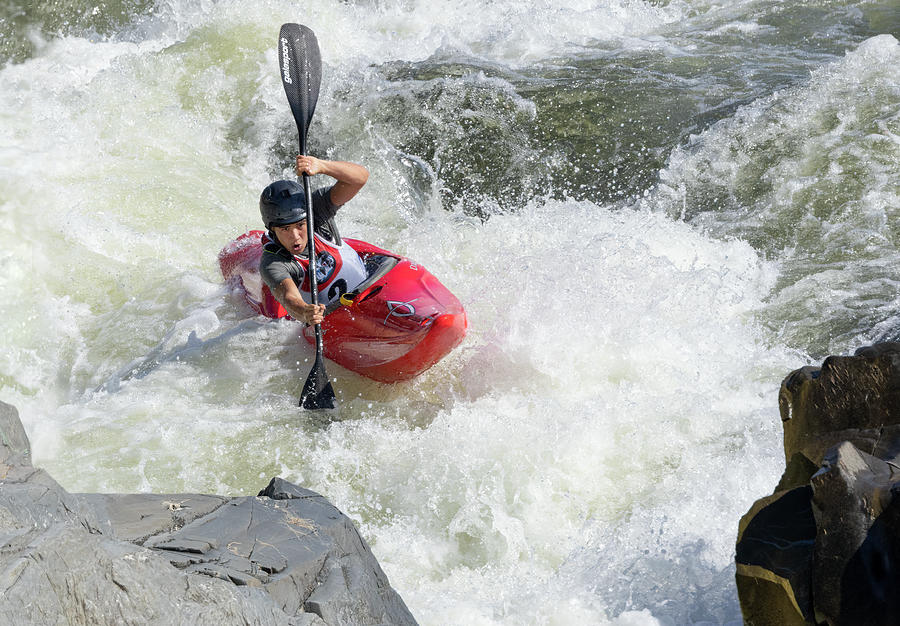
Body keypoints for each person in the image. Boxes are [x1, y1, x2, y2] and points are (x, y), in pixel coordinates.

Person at [258, 155, 369, 326]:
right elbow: (289, 298)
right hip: (338, 317)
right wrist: (304, 312)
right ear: (272, 228)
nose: (295, 236)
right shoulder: (273, 262)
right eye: (285, 229)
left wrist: (322, 166)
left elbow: (360, 178)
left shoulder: (316, 210)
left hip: (369, 288)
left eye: (300, 225)